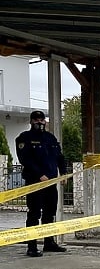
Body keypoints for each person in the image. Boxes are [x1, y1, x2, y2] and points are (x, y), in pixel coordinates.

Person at [15, 110, 68, 257]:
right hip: (35, 183)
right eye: (36, 120)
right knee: (34, 214)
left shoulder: (50, 138)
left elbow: (59, 157)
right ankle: (32, 246)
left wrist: (63, 173)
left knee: (49, 213)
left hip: (50, 182)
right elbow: (25, 159)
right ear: (31, 121)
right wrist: (39, 175)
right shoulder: (24, 138)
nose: (39, 122)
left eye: (41, 119)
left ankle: (49, 242)